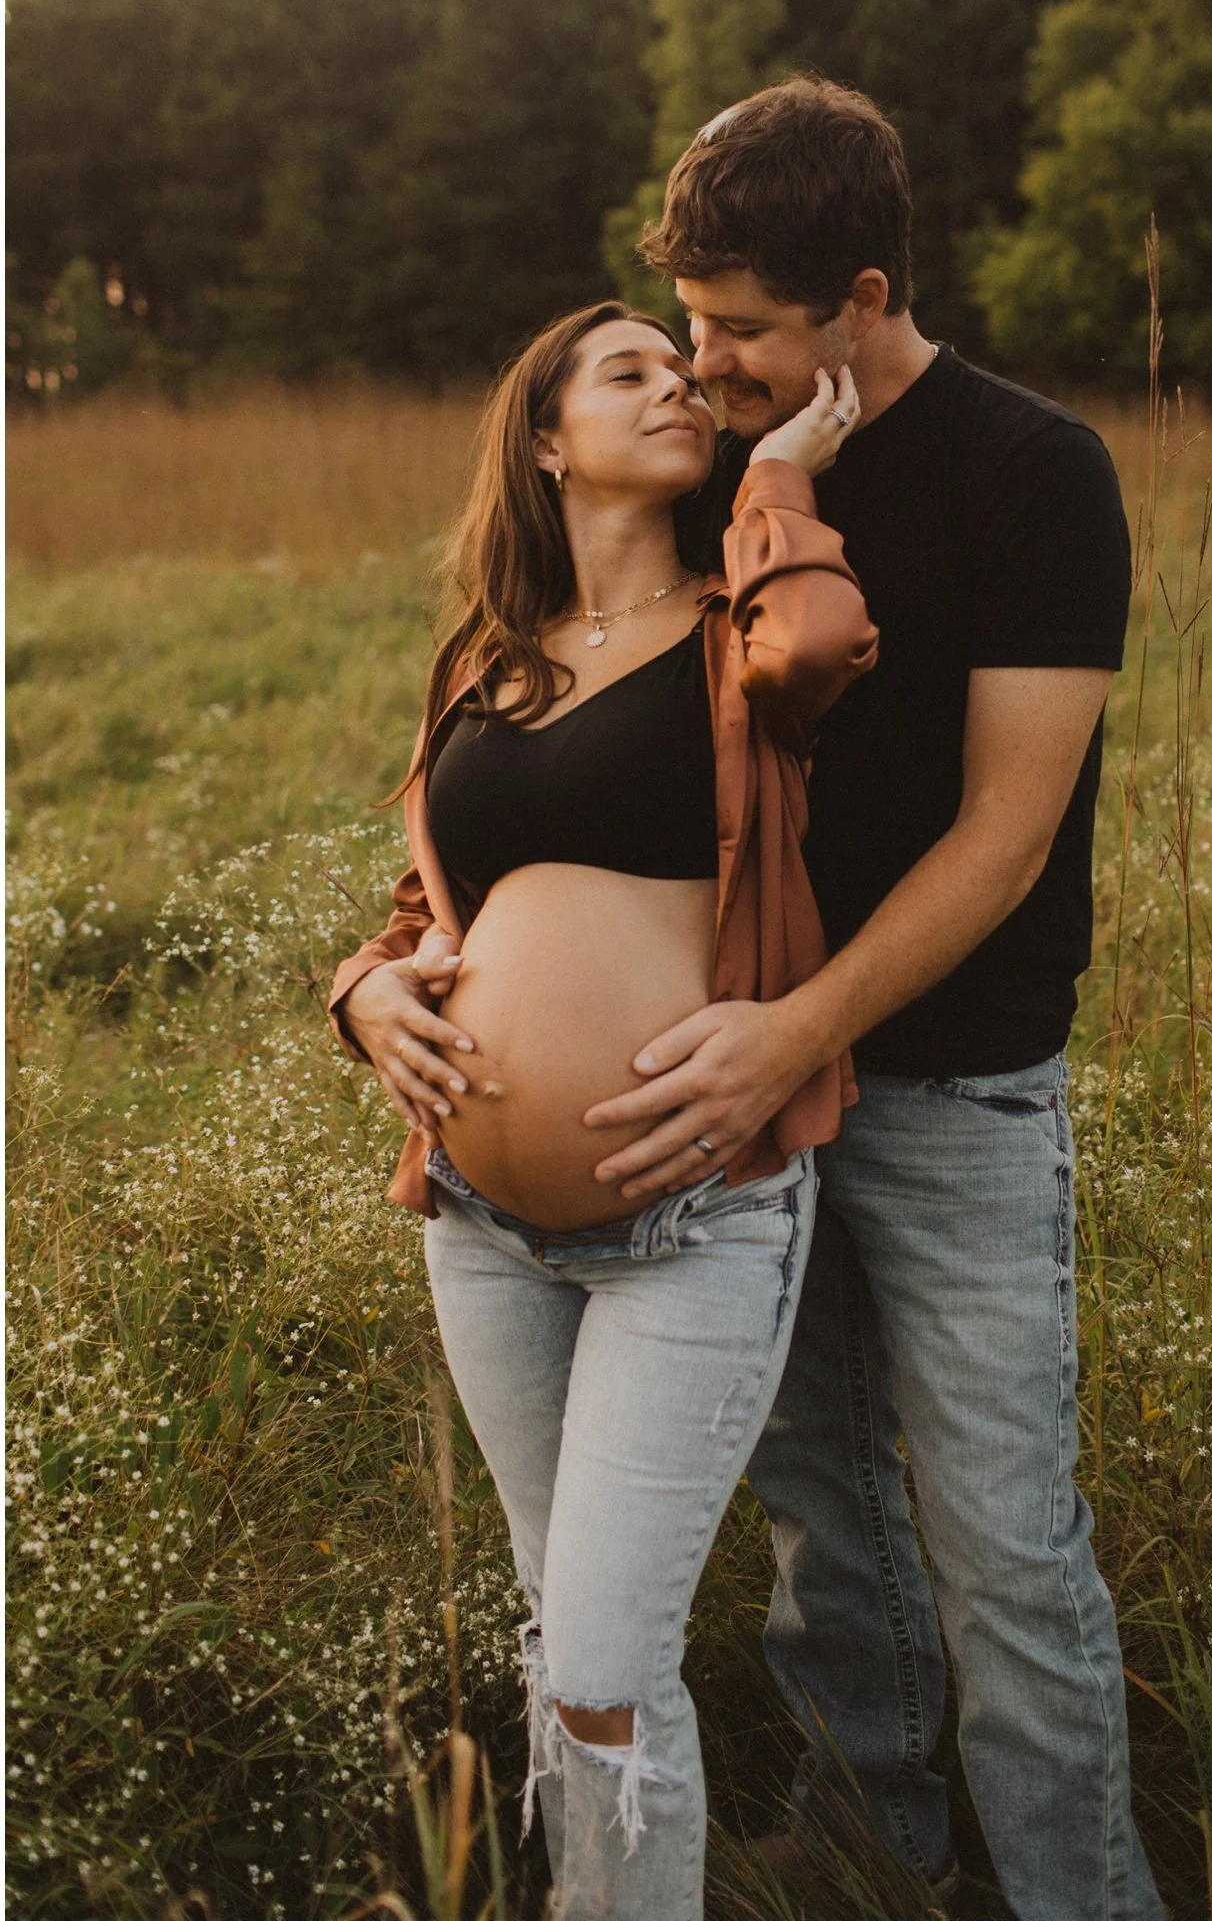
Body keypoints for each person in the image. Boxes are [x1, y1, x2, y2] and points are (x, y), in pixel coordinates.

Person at [580, 81, 1165, 1920]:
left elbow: (1004, 841)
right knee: (827, 1526)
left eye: (741, 329)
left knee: (1003, 1548)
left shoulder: (1032, 468)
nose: (704, 360)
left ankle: (1084, 1899)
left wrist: (795, 1028)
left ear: (860, 290)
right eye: (686, 324)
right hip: (755, 1097)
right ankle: (870, 1851)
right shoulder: (732, 473)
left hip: (955, 1093)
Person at [327, 300, 877, 1920]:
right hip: (483, 1229)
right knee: (554, 1622)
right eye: (627, 372)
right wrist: (358, 992)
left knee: (606, 1657)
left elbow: (827, 646)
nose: (678, 387)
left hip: (691, 1215)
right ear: (548, 439)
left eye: (683, 368)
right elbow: (435, 902)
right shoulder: (486, 665)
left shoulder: (736, 625)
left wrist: (778, 472)